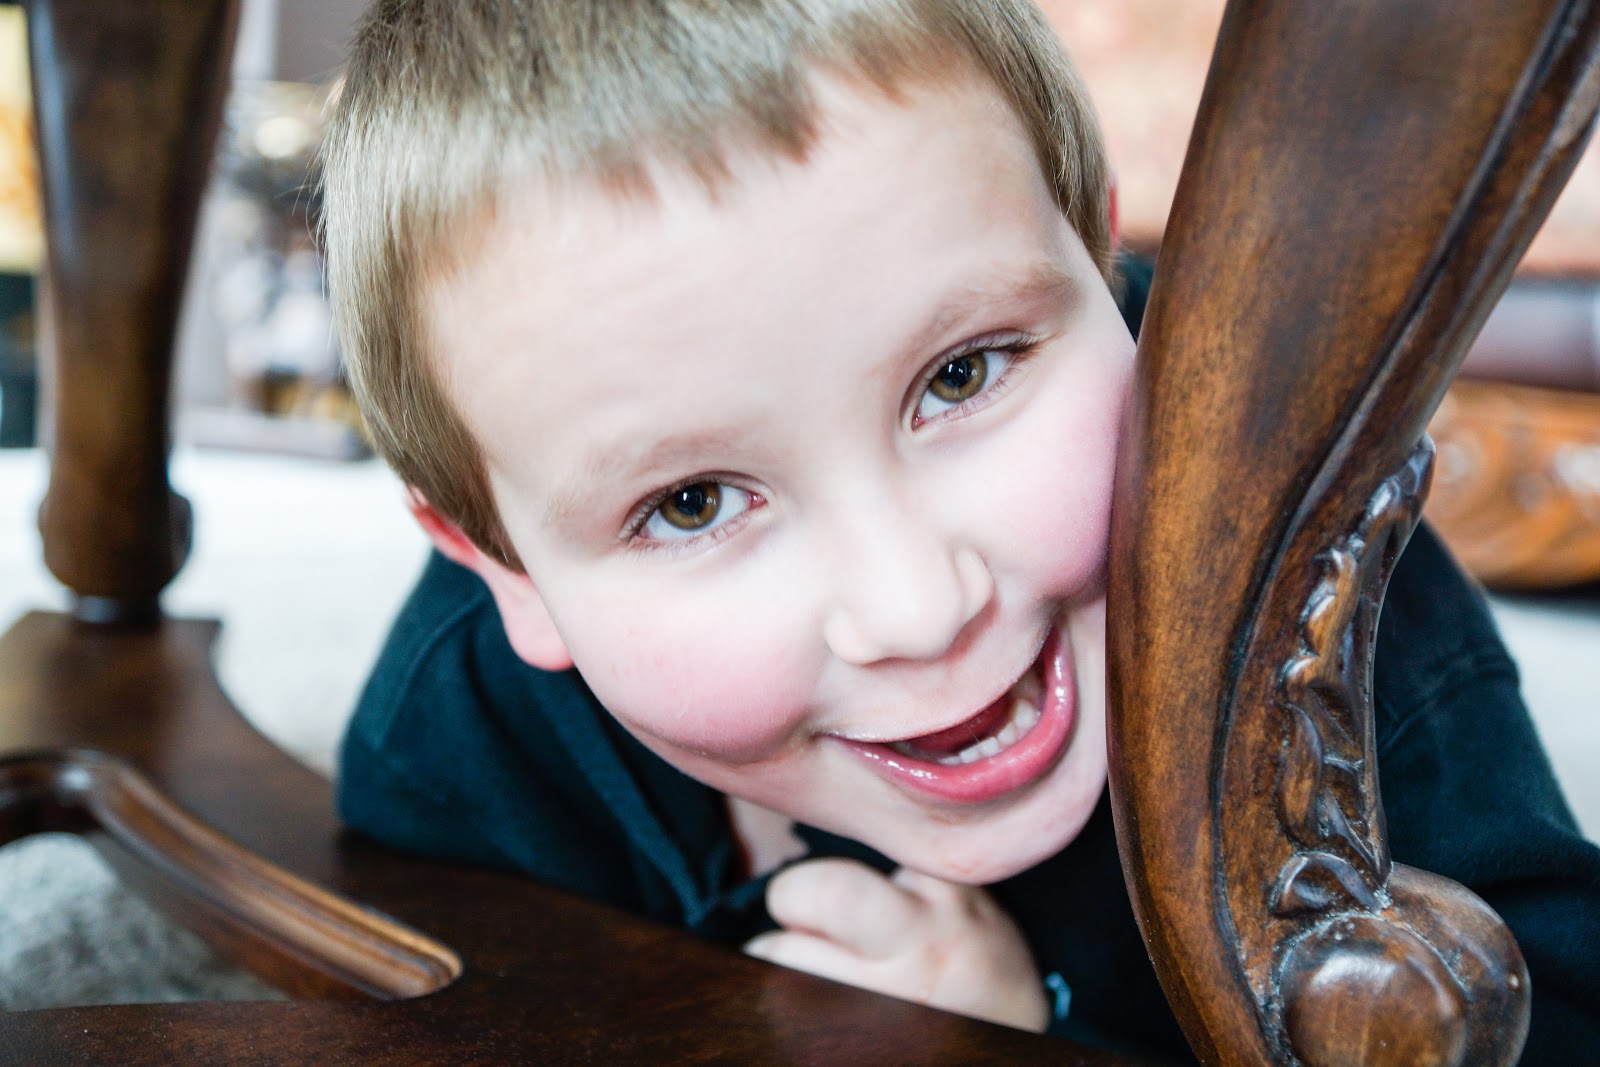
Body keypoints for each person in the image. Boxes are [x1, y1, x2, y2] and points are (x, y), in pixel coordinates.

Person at [319, 1, 1600, 1058]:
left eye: (963, 373)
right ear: (506, 570)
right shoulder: (460, 740)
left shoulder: (1313, 588)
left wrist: (1012, 1038)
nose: (917, 607)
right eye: (691, 502)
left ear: (1099, 261)